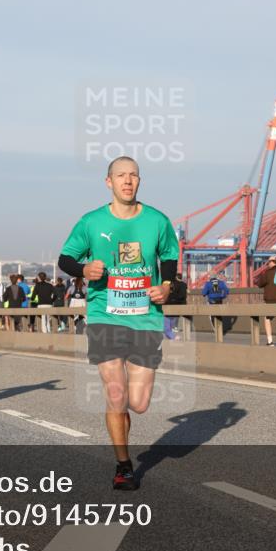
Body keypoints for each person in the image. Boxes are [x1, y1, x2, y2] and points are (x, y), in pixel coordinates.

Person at [58, 155, 178, 491]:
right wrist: (84, 270)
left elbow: (169, 254)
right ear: (108, 182)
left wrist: (167, 285)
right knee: (115, 393)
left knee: (137, 404)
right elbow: (65, 257)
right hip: (104, 316)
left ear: (139, 181)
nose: (127, 181)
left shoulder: (157, 221)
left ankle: (122, 426)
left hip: (145, 319)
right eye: (120, 175)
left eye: (134, 175)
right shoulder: (91, 222)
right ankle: (124, 465)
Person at [254, 256, 276, 345]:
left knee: (267, 319)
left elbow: (260, 283)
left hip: (270, 300)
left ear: (272, 262)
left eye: (268, 263)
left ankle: (270, 341)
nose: (268, 265)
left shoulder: (267, 273)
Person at [163, 273, 188, 340]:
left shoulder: (171, 284)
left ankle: (173, 336)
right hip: (180, 305)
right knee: (172, 322)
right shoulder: (184, 284)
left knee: (167, 326)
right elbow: (183, 295)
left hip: (169, 305)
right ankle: (174, 331)